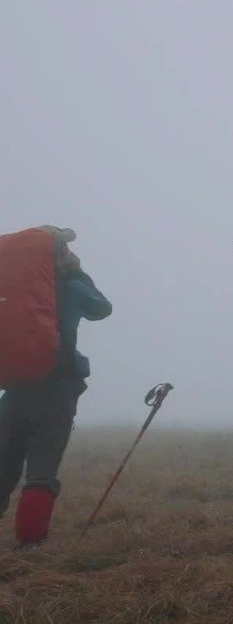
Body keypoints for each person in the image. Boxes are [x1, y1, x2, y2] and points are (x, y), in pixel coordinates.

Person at [0, 226, 112, 549]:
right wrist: (78, 271)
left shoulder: (12, 292)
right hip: (56, 389)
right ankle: (30, 544)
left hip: (15, 387)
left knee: (3, 463)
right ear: (59, 253)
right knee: (42, 468)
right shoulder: (71, 286)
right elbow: (103, 308)